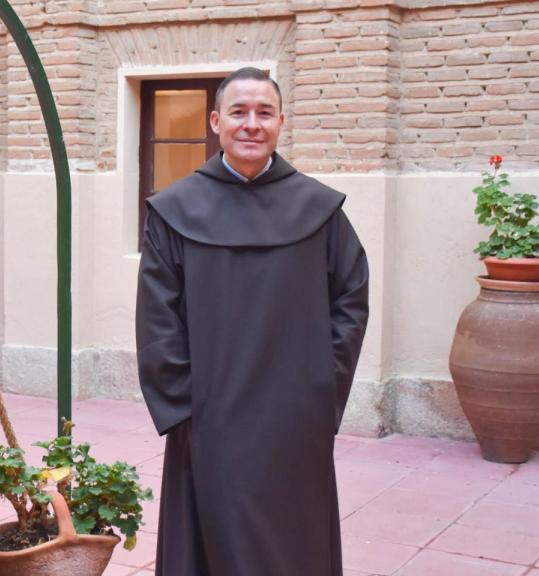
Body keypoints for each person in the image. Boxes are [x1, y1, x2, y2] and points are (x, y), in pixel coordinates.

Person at [135, 67, 370, 575]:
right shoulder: (174, 210)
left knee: (295, 540)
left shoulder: (319, 209)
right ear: (215, 121)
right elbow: (157, 317)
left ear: (281, 122)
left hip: (294, 417)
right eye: (238, 112)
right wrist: (185, 404)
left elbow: (351, 298)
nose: (251, 124)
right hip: (208, 416)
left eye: (264, 113)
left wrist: (320, 385)